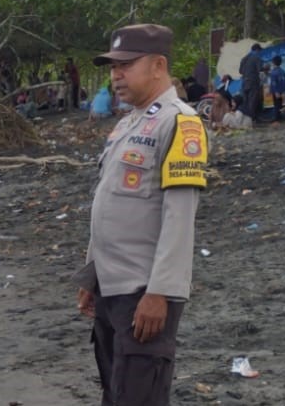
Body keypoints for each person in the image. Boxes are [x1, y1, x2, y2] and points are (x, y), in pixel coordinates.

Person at [75, 24, 207, 406]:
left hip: (143, 291)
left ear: (158, 65)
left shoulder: (179, 122)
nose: (116, 75)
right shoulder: (127, 123)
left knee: (140, 396)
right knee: (115, 393)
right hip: (110, 287)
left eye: (127, 65)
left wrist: (160, 292)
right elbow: (110, 201)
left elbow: (179, 215)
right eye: (113, 67)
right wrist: (92, 273)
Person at [239, 43, 264, 119]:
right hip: (253, 82)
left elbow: (240, 71)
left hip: (244, 82)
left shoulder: (244, 58)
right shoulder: (257, 57)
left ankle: (244, 117)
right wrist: (266, 68)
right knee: (252, 101)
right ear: (257, 50)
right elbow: (259, 69)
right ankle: (250, 119)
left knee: (245, 101)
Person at [268, 56, 285, 121]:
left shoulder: (273, 72)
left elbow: (274, 83)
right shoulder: (283, 71)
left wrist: (276, 92)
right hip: (282, 91)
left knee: (276, 104)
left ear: (273, 63)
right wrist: (284, 91)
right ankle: (281, 117)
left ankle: (276, 118)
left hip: (276, 91)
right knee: (281, 104)